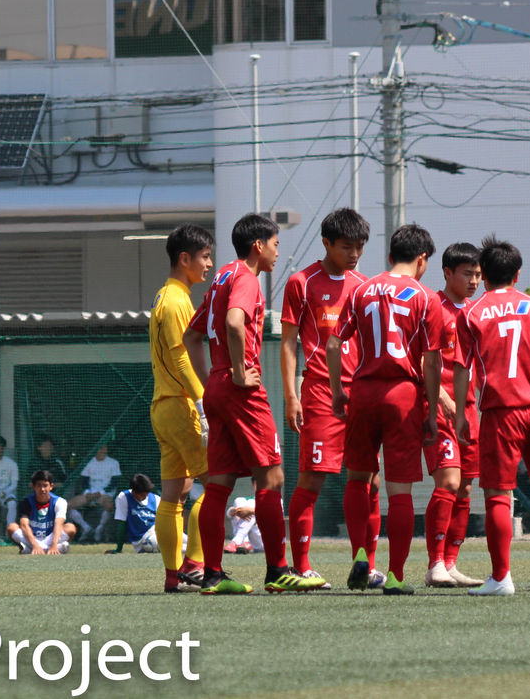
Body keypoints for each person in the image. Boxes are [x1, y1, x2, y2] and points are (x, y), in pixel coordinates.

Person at [186, 213, 327, 595]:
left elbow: (192, 337)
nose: (279, 253)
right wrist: (235, 372)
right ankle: (278, 570)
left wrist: (213, 381)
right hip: (240, 388)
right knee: (272, 478)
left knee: (218, 486)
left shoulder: (220, 279)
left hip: (217, 388)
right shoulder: (246, 279)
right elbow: (234, 323)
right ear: (258, 246)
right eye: (276, 244)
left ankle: (213, 575)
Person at [328, 223, 444, 595]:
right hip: (402, 395)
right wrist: (428, 410)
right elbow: (432, 360)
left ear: (391, 255)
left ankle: (362, 553)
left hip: (362, 390)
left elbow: (333, 345)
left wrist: (337, 391)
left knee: (358, 479)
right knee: (400, 492)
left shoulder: (360, 289)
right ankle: (395, 577)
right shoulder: (426, 297)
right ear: (422, 259)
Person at [451, 236, 530, 596]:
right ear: (518, 275)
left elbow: (461, 369)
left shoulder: (470, 312)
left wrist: (460, 413)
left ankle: (501, 577)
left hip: (501, 412)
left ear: (483, 275)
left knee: (498, 494)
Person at [280, 208, 373, 587]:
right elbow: (287, 343)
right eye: (347, 247)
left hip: (362, 393)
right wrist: (290, 395)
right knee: (312, 480)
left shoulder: (365, 286)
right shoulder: (301, 282)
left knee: (369, 481)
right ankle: (301, 566)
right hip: (319, 390)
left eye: (360, 247)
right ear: (327, 244)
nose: (354, 254)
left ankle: (363, 564)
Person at [149, 223, 214, 593]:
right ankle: (194, 564)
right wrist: (203, 401)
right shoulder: (177, 301)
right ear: (184, 258)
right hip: (182, 404)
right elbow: (182, 356)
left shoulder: (162, 296)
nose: (209, 264)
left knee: (173, 493)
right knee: (218, 481)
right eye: (205, 257)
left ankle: (173, 575)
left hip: (162, 406)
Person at [423, 242, 484, 588]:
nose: (474, 280)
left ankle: (450, 563)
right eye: (467, 274)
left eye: (478, 274)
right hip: (439, 408)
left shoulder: (477, 313)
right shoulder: (433, 307)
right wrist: (442, 398)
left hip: (470, 411)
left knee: (465, 488)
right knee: (447, 482)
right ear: (447, 273)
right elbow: (423, 357)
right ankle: (434, 564)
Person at [7, 470, 77, 555]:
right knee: (12, 527)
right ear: (33, 487)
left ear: (51, 486)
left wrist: (54, 544)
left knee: (71, 527)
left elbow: (58, 523)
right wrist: (35, 545)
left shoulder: (60, 502)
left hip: (51, 538)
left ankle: (29, 550)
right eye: (39, 486)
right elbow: (24, 525)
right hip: (31, 538)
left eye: (45, 486)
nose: (42, 489)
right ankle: (55, 549)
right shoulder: (26, 502)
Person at [68, 444, 121, 542]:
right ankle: (86, 528)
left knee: (109, 506)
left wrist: (101, 492)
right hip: (89, 494)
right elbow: (85, 481)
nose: (102, 450)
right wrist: (87, 492)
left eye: (105, 447)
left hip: (105, 494)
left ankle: (99, 530)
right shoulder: (89, 462)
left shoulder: (113, 463)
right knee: (68, 505)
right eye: (100, 448)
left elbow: (114, 482)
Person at [106, 474, 164, 554]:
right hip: (142, 539)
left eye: (147, 494)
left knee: (183, 540)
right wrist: (119, 549)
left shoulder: (156, 499)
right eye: (142, 495)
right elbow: (121, 523)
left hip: (157, 532)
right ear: (133, 491)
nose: (145, 496)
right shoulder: (124, 497)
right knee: (154, 541)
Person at [0, 435, 19, 529]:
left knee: (12, 503)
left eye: (1, 448)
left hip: (6, 493)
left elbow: (14, 484)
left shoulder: (11, 464)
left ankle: (10, 530)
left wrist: (5, 492)